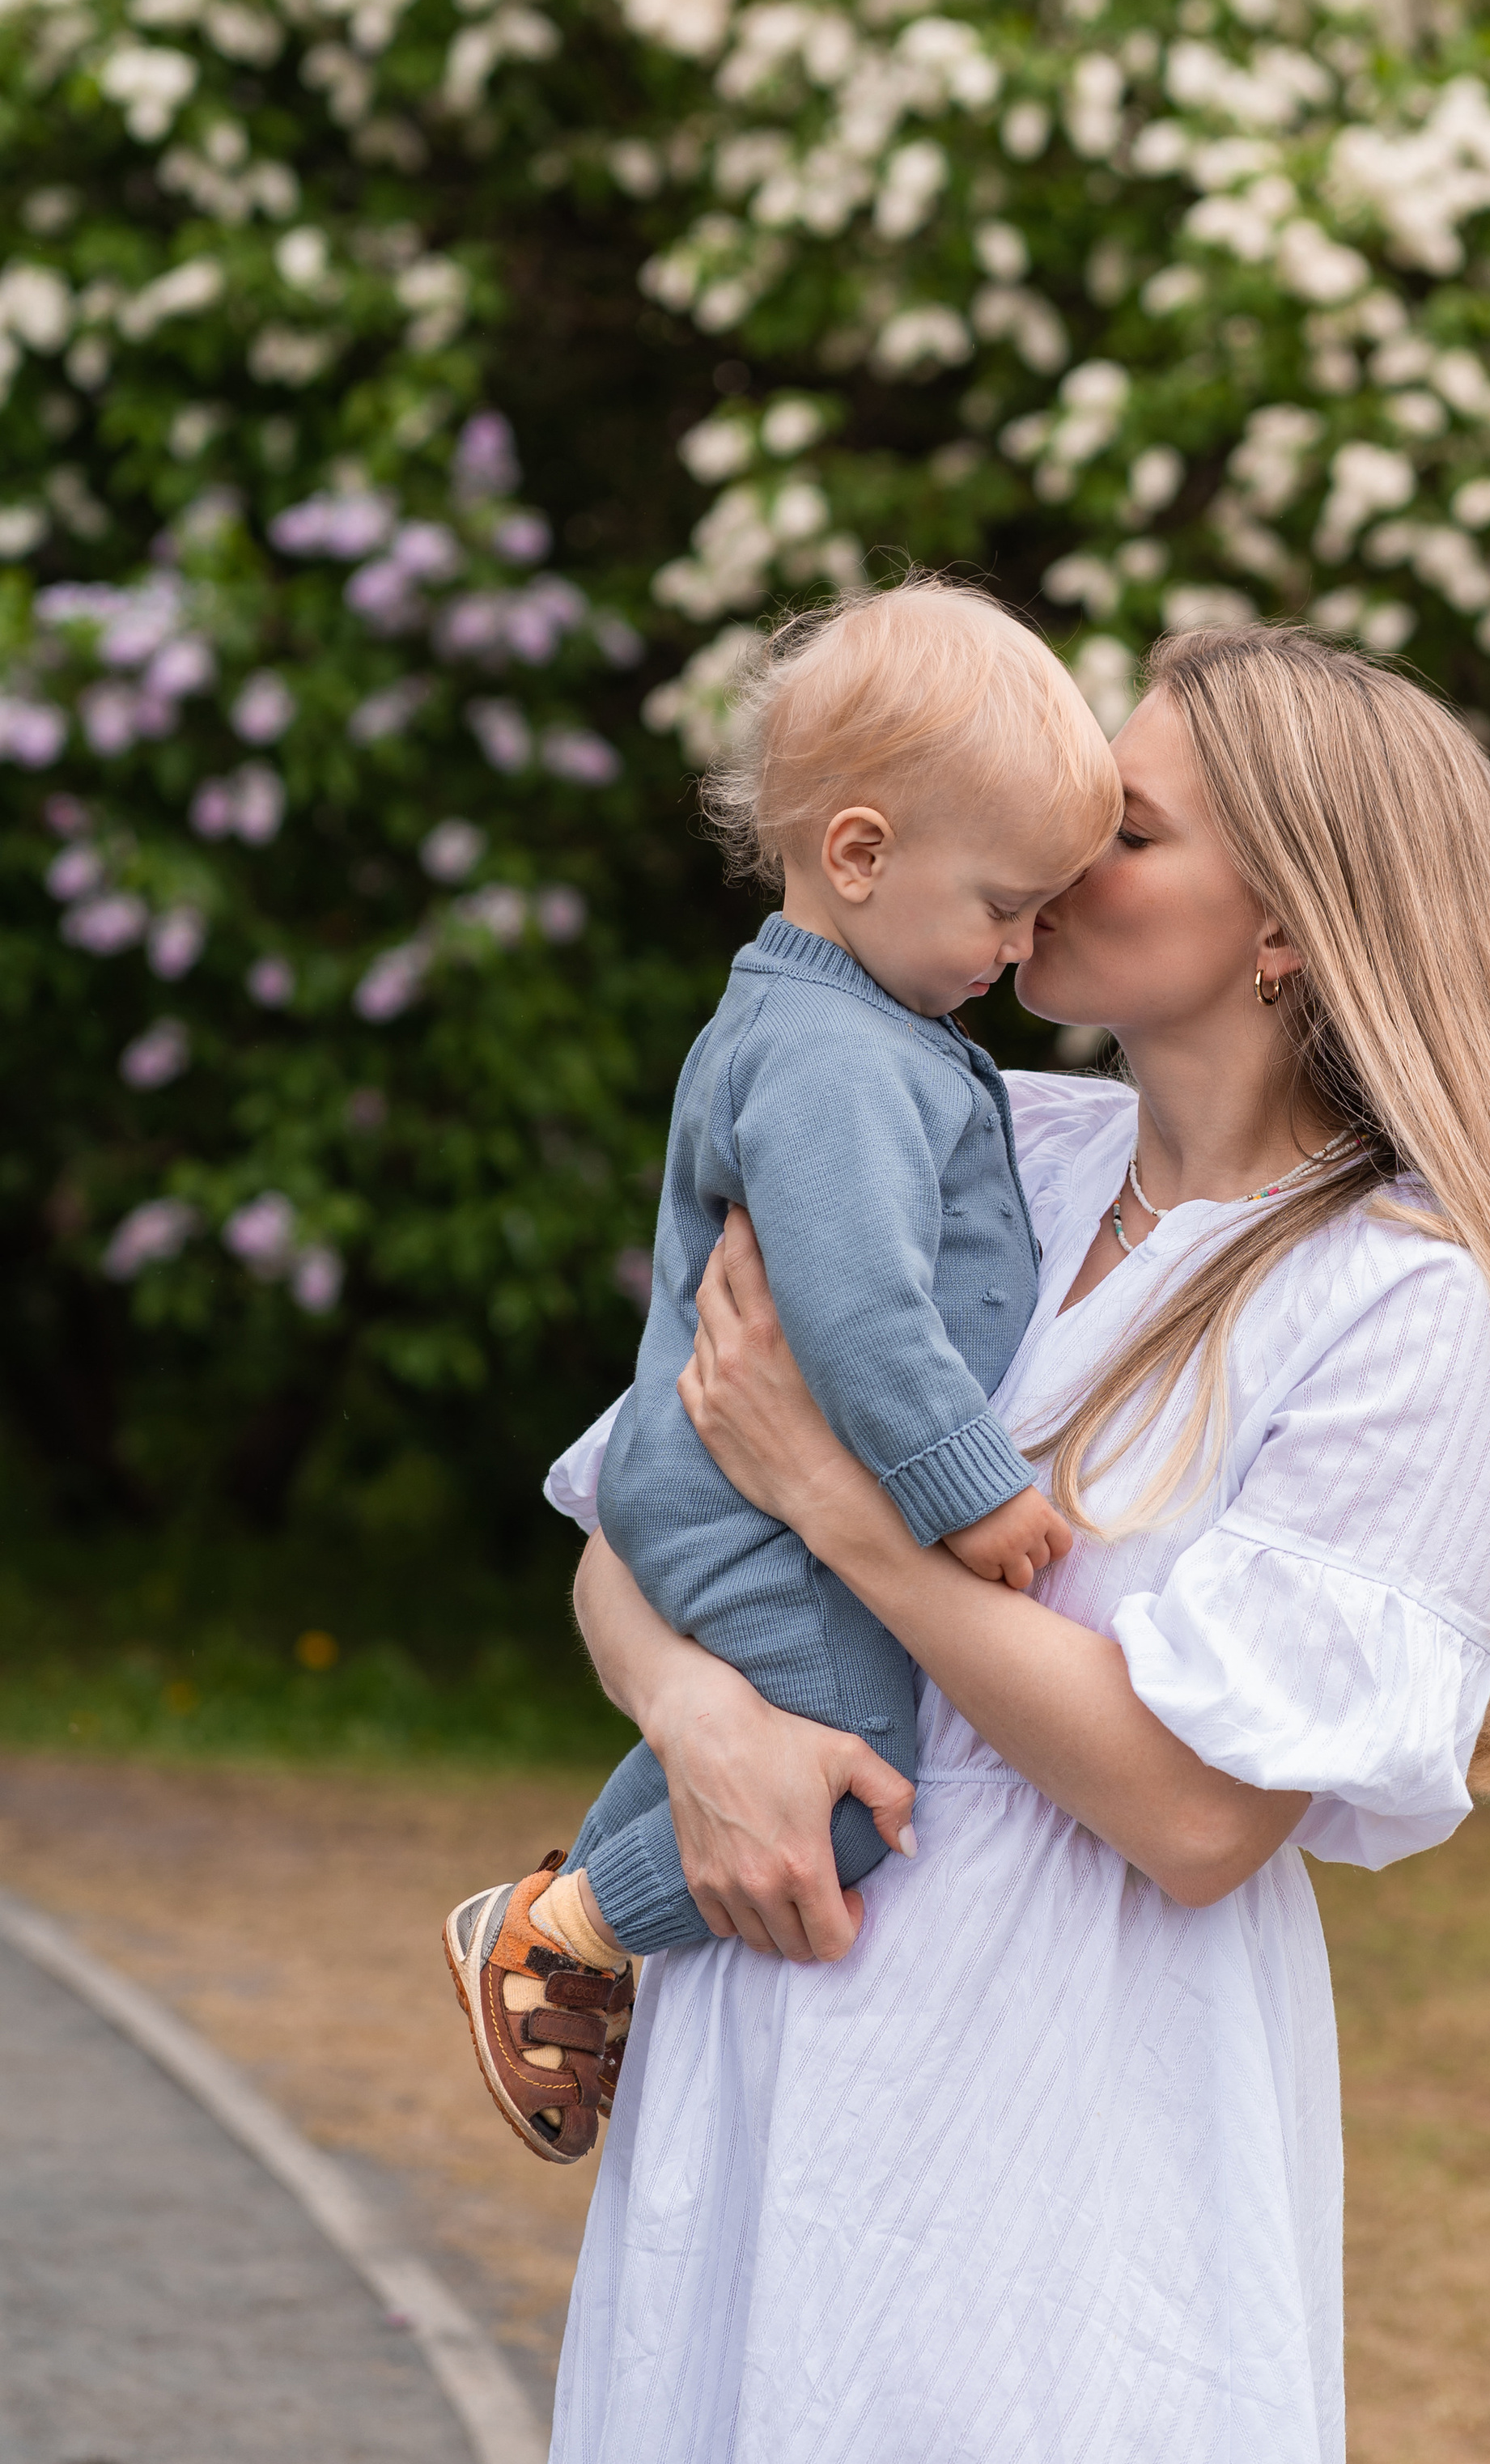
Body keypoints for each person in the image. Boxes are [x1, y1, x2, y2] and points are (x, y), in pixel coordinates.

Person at [527, 624, 1490, 2464]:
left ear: (1286, 927)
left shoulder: (1396, 1303)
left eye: (1130, 827)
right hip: (771, 2008)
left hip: (1063, 2109)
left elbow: (1192, 1817)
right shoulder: (961, 1124)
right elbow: (635, 1515)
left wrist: (846, 1516)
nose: (1057, 851)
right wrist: (700, 1723)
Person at [443, 579, 1119, 2167]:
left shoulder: (853, 1023)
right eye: (1005, 905)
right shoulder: (831, 1058)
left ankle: (557, 1916)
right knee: (848, 1791)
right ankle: (566, 1931)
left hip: (732, 1492)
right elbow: (856, 1312)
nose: (1024, 946)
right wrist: (969, 1496)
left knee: (798, 1732)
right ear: (860, 854)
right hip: (743, 1503)